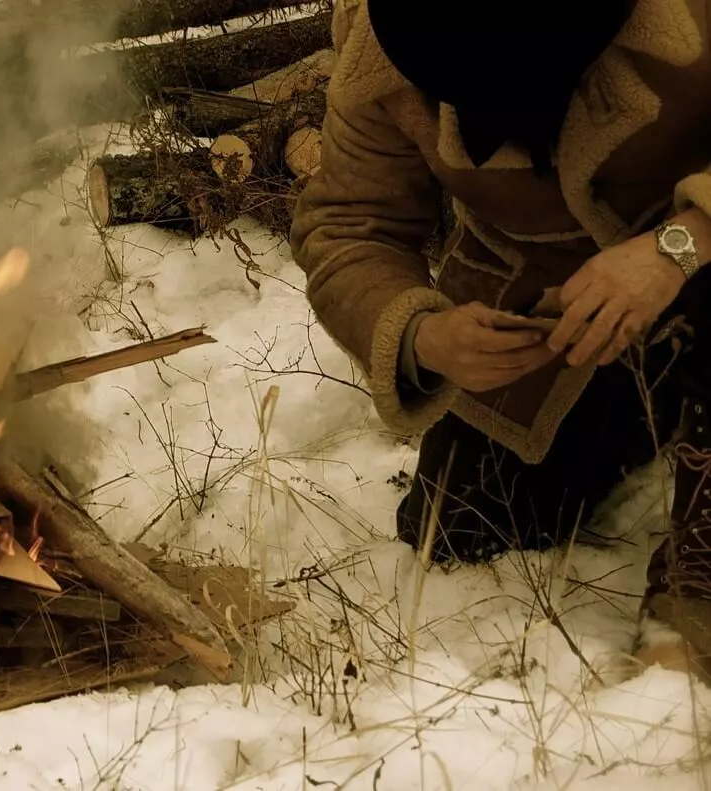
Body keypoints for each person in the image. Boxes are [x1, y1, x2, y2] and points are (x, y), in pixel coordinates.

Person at [288, 0, 711, 673]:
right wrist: (423, 335)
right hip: (547, 312)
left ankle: (696, 587)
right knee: (461, 529)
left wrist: (678, 245)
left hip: (696, 251)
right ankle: (656, 410)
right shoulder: (381, 40)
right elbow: (350, 222)